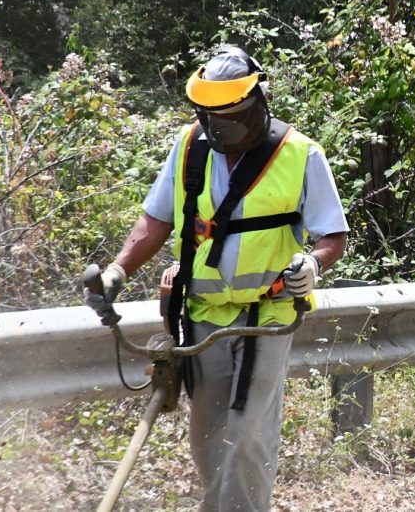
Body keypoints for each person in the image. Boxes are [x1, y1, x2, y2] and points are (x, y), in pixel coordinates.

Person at [84, 45, 349, 510]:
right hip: (202, 313)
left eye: (232, 116)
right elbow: (156, 220)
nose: (221, 127)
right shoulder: (189, 147)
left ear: (257, 103)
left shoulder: (301, 154)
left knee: (247, 432)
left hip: (267, 312)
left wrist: (313, 264)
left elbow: (332, 234)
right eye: (211, 117)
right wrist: (116, 271)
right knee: (208, 432)